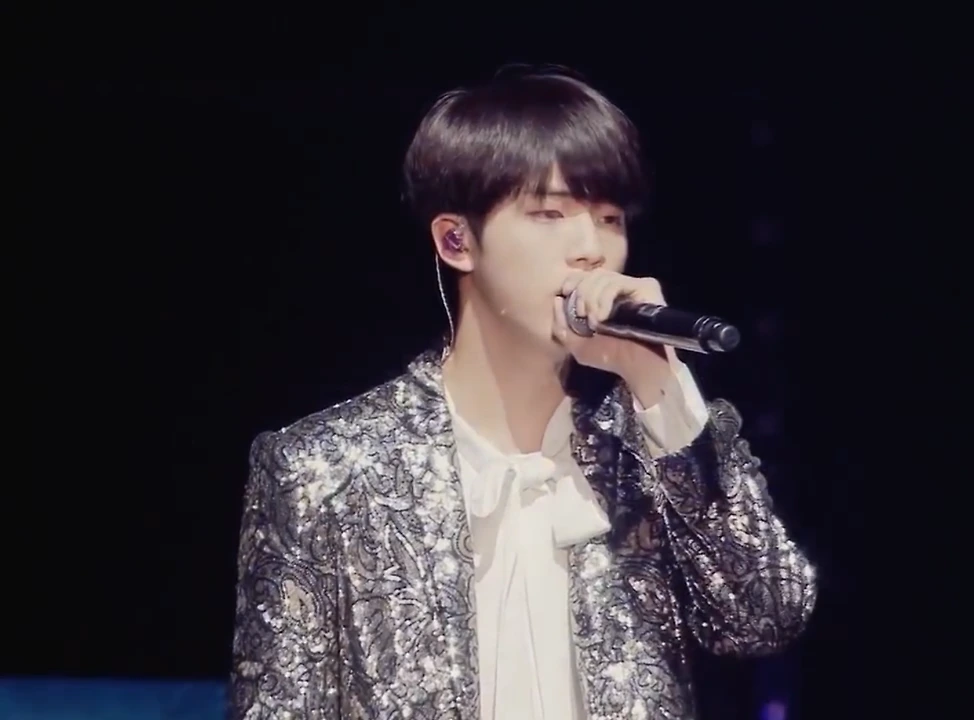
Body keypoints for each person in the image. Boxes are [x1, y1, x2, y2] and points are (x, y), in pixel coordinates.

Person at [228, 65, 817, 720]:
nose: (590, 249)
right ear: (457, 240)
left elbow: (767, 616)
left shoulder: (652, 444)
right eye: (549, 214)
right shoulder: (324, 469)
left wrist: (657, 380)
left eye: (610, 218)